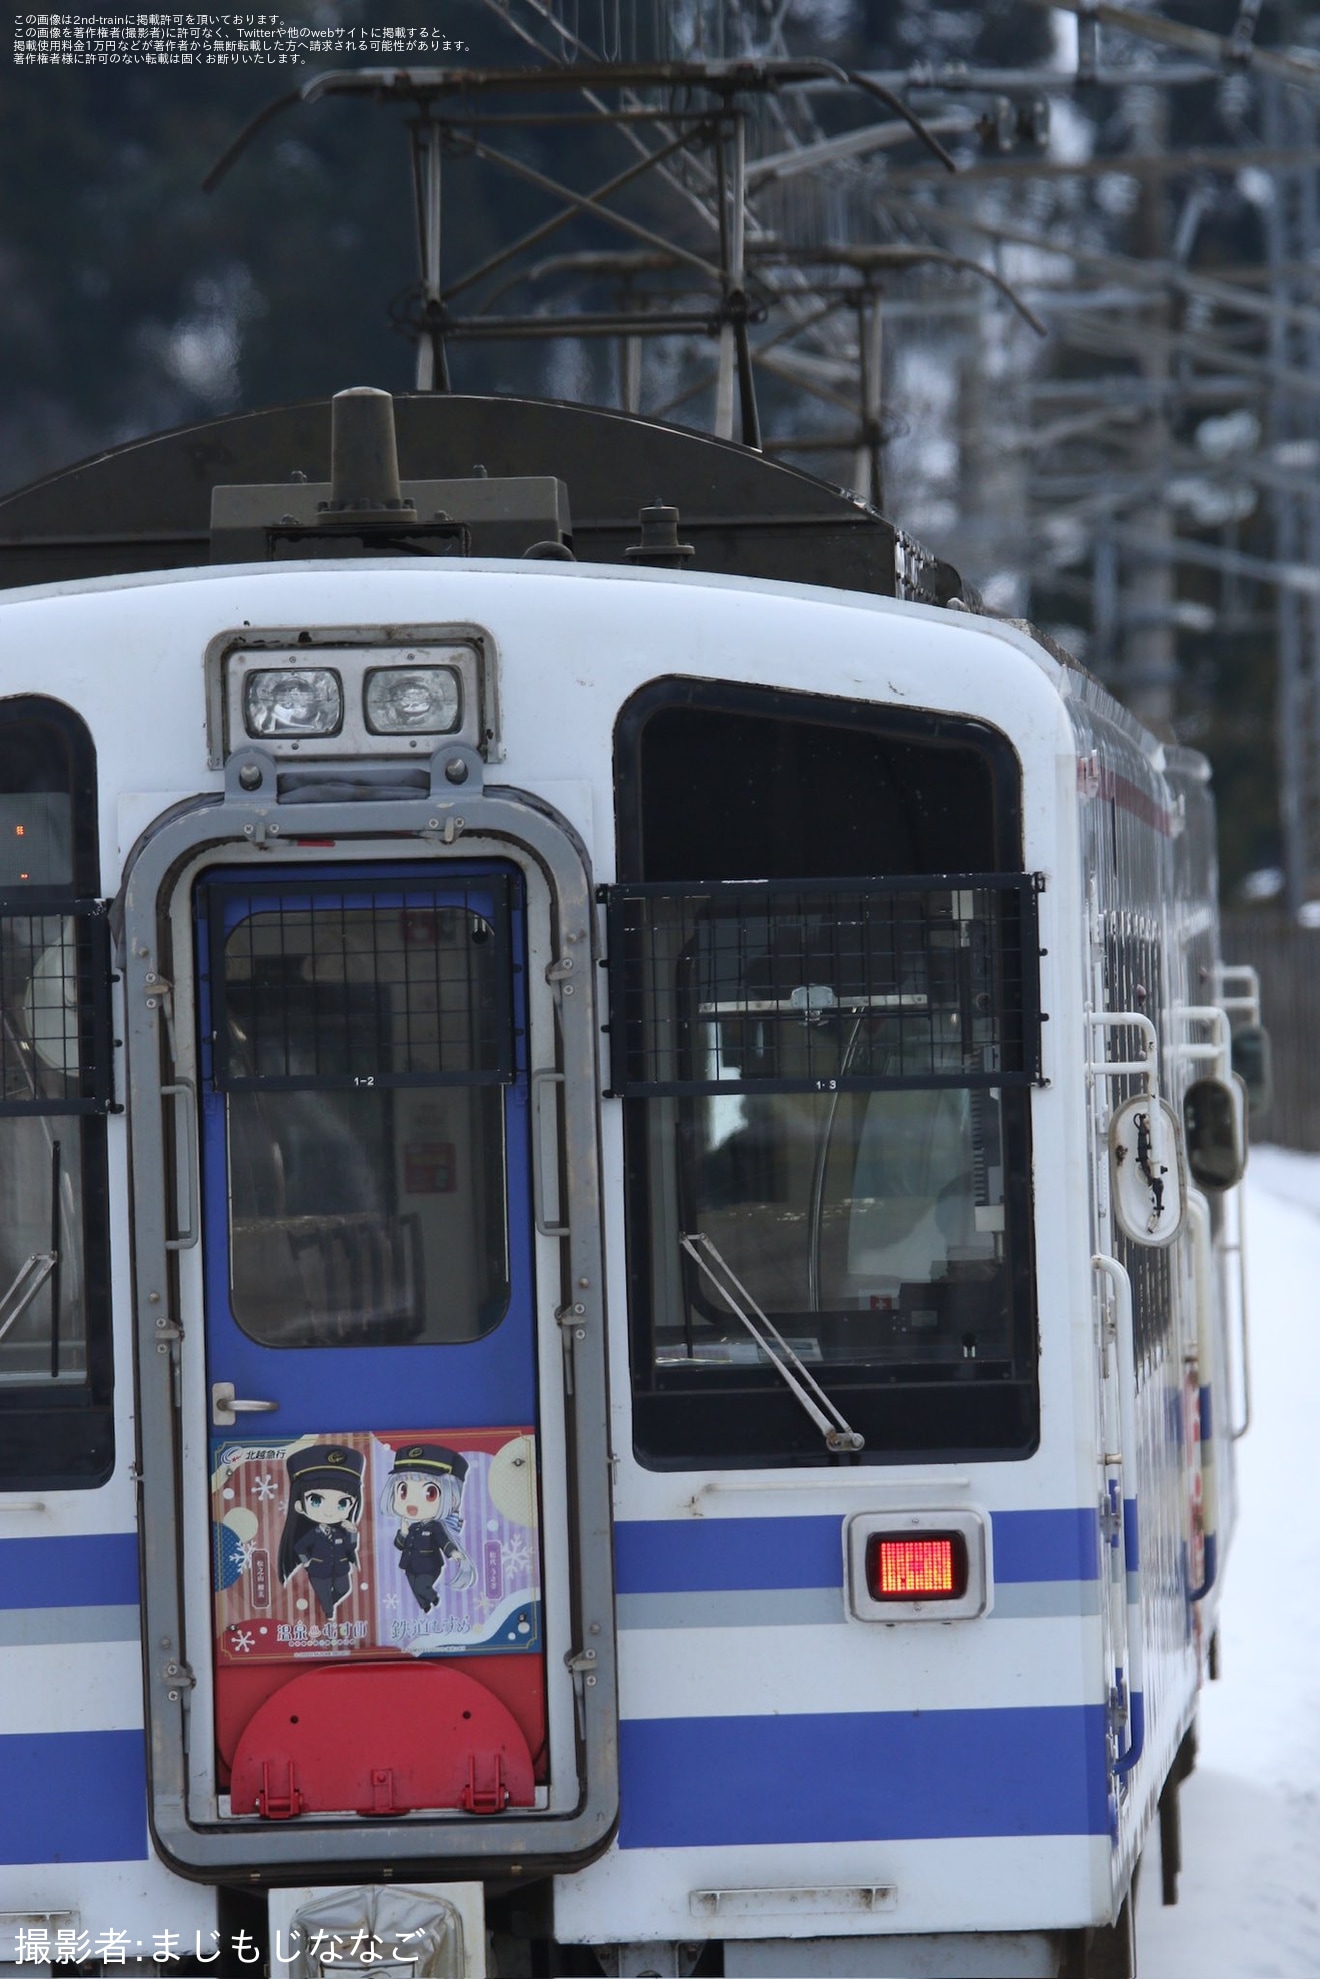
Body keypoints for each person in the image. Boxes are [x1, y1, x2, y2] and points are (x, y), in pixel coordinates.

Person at [276, 1443, 365, 1620]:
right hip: (318, 1570)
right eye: (316, 1500)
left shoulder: (340, 1531)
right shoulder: (313, 1533)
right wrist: (307, 1562)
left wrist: (352, 1532)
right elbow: (299, 1547)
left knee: (344, 1589)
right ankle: (328, 1611)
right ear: (300, 1506)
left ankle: (328, 1606)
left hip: (340, 1568)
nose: (330, 1511)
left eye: (343, 1503)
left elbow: (350, 1549)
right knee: (323, 1594)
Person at [385, 1443, 476, 1611]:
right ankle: (426, 1605)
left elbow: (443, 1541)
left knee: (421, 1588)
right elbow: (399, 1545)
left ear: (452, 1498)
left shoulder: (435, 1526)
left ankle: (432, 1598)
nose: (412, 1503)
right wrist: (403, 1533)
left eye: (430, 1493)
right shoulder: (411, 1526)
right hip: (409, 1565)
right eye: (403, 1490)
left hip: (429, 1566)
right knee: (415, 1589)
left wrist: (453, 1552)